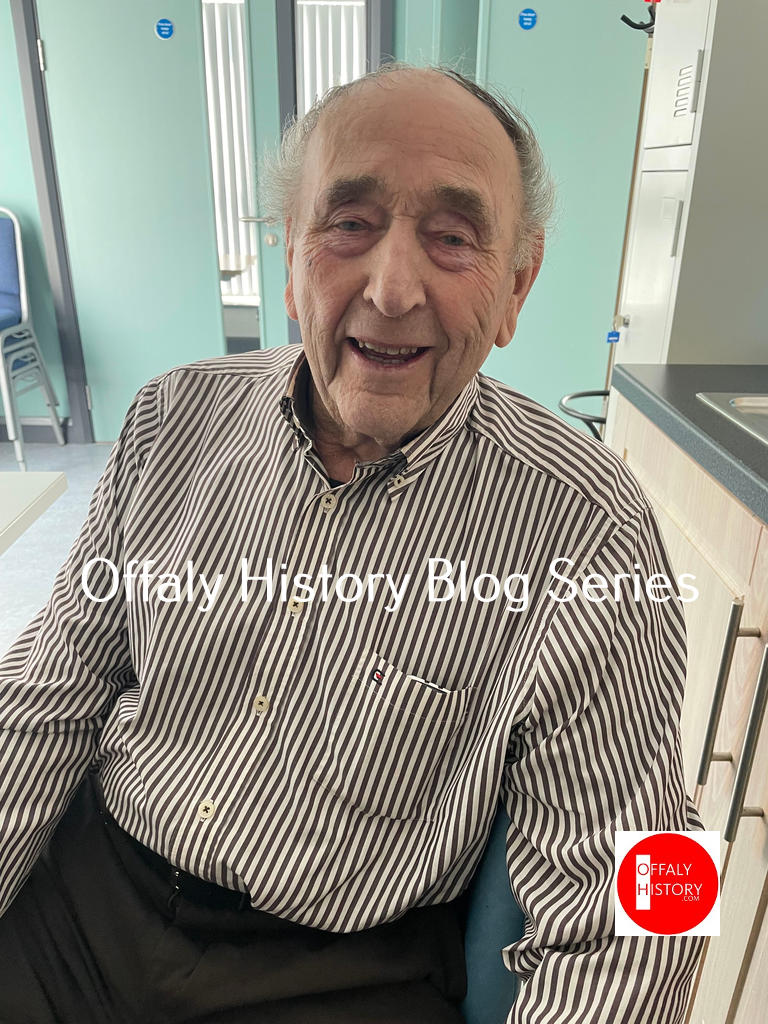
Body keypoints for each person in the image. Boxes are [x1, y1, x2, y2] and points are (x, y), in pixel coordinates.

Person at [0, 64, 703, 1023]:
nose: (393, 287)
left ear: (517, 286)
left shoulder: (590, 528)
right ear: (292, 255)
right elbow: (47, 695)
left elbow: (647, 894)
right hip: (87, 905)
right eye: (349, 223)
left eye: (452, 238)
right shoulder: (173, 417)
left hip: (341, 970)